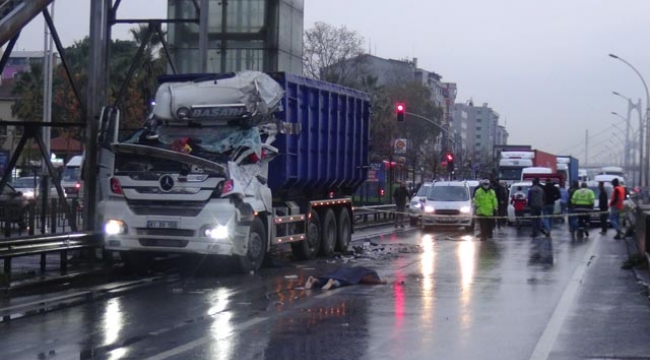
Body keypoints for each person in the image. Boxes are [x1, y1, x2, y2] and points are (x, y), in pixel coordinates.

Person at [304, 266, 386, 290]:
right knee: (343, 281)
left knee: (328, 277)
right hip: (345, 276)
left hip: (341, 271)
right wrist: (381, 282)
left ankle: (315, 280)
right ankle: (332, 283)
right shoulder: (368, 273)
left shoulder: (364, 270)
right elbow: (367, 280)